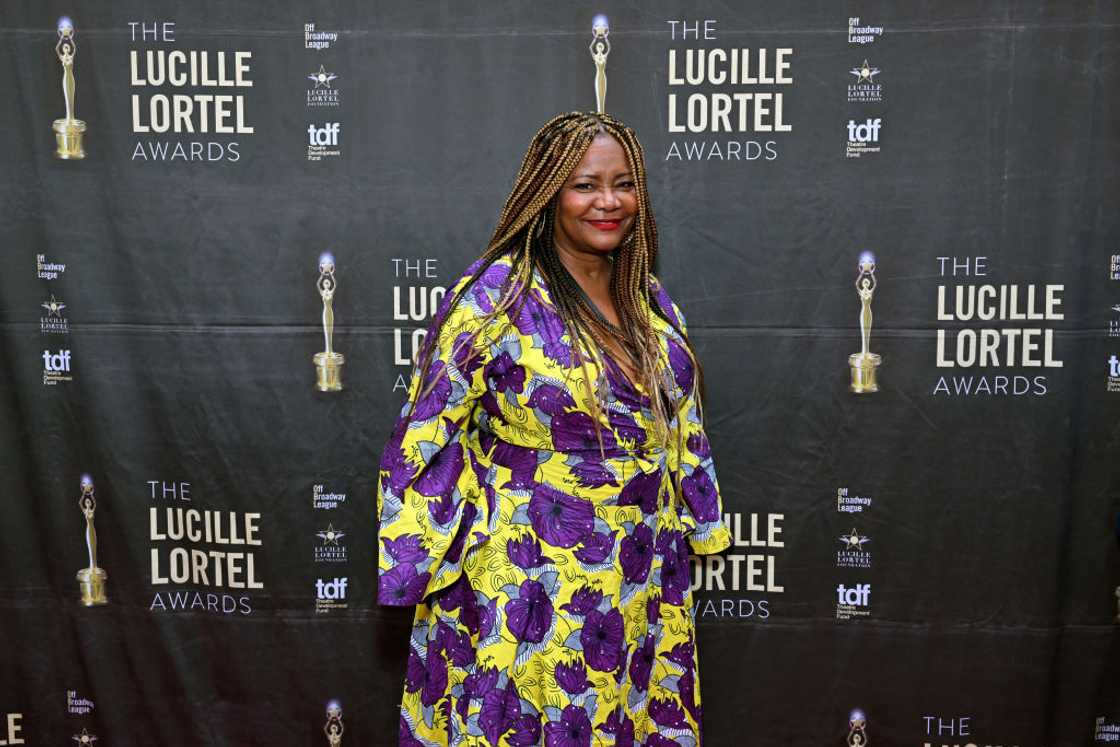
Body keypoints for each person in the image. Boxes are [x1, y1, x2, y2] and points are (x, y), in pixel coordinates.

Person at [377, 111, 731, 746]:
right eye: (585, 184)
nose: (608, 202)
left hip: (641, 573)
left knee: (627, 716)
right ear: (547, 192)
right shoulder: (494, 298)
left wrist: (699, 523)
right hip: (529, 578)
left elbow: (680, 422)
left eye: (624, 184)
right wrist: (430, 560)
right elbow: (424, 431)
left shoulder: (648, 297)